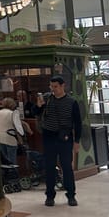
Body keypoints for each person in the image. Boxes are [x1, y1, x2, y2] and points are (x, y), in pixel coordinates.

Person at [35, 75, 81, 207]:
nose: (53, 89)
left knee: (66, 166)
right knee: (49, 167)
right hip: (49, 136)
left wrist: (77, 141)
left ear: (62, 86)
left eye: (55, 86)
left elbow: (77, 123)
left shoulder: (72, 102)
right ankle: (50, 196)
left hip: (65, 137)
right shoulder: (47, 99)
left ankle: (71, 195)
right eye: (51, 86)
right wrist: (38, 106)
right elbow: (36, 112)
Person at [0, 97, 23, 164]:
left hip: (0, 138)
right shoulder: (13, 113)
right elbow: (18, 127)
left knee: (4, 161)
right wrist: (21, 138)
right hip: (11, 138)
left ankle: (6, 174)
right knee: (12, 160)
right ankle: (13, 173)